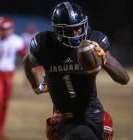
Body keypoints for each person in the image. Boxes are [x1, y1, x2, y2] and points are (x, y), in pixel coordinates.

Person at [23, 1, 129, 140]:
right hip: (66, 118)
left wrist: (103, 58)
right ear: (58, 30)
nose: (77, 33)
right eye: (71, 30)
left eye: (79, 28)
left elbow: (124, 78)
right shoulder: (45, 44)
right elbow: (27, 62)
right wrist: (36, 87)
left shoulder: (93, 39)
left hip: (93, 114)